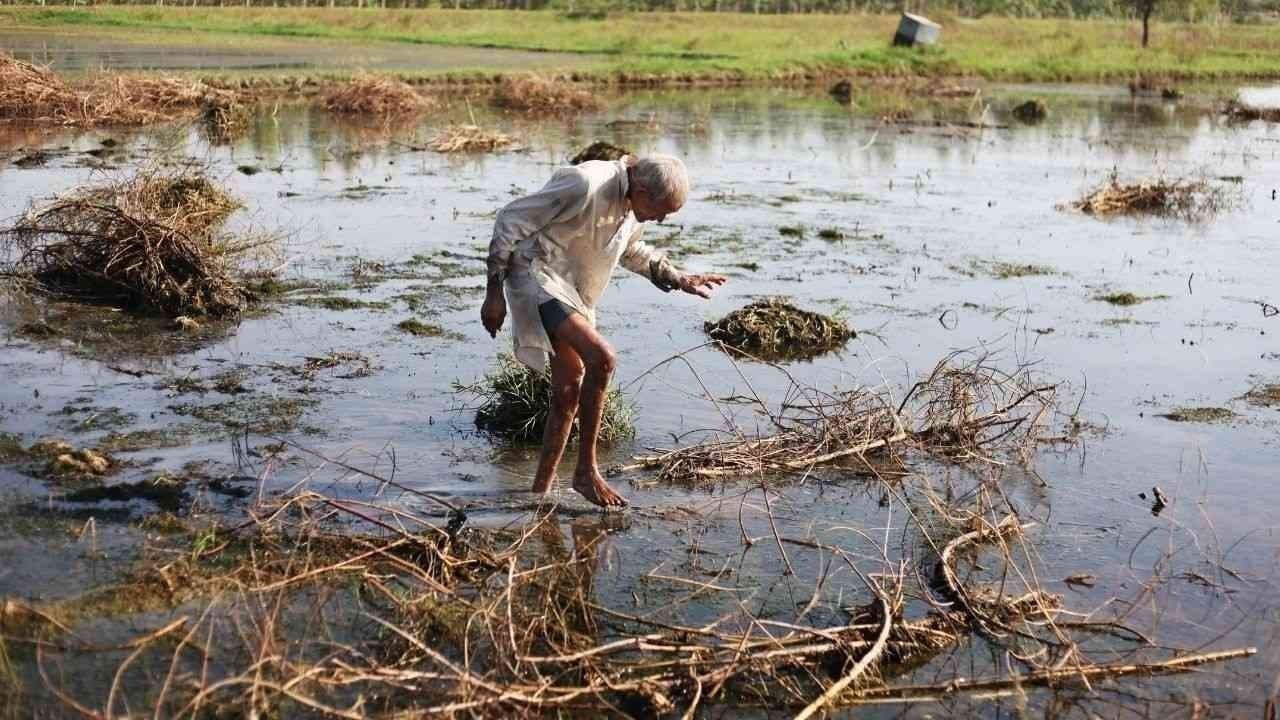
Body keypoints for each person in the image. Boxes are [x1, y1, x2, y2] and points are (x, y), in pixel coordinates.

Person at [481, 154, 726, 508]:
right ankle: (585, 471)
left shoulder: (631, 205)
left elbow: (630, 250)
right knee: (602, 357)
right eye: (661, 211)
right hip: (535, 275)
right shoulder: (586, 183)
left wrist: (679, 277)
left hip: (572, 290)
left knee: (568, 390)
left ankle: (538, 495)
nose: (659, 219)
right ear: (641, 188)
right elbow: (510, 219)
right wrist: (493, 293)